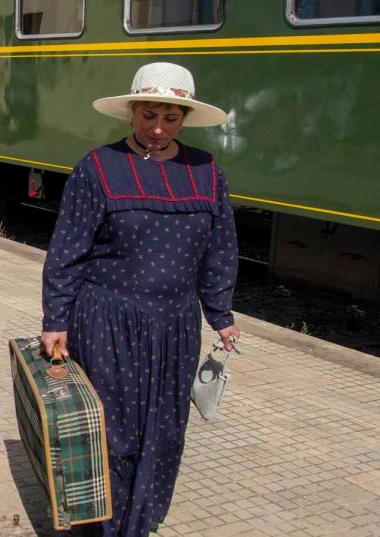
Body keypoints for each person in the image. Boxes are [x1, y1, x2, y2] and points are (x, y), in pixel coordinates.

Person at [41, 62, 240, 536]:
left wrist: (220, 313)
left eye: (171, 118)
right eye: (149, 115)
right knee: (113, 432)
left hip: (176, 326)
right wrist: (56, 319)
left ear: (184, 119)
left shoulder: (206, 172)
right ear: (131, 112)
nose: (158, 128)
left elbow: (220, 248)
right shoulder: (98, 168)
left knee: (166, 431)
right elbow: (67, 250)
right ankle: (106, 527)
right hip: (108, 321)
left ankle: (141, 522)